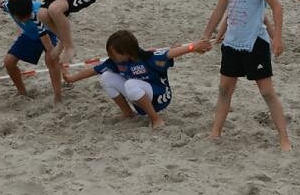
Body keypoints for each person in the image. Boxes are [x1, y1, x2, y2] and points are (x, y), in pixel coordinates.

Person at [201, 0, 291, 151]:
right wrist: (205, 36)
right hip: (232, 43)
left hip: (255, 43)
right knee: (224, 90)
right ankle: (215, 132)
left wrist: (277, 38)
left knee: (267, 92)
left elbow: (277, 7)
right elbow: (219, 11)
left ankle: (284, 139)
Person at [70, 30, 212, 129]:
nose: (110, 56)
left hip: (159, 95)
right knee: (106, 78)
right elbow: (94, 70)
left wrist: (194, 47)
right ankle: (128, 113)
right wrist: (71, 78)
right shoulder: (115, 62)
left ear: (127, 52)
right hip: (139, 94)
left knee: (131, 84)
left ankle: (156, 119)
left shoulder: (149, 57)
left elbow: (171, 53)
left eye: (113, 53)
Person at [0, 0, 64, 103]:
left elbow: (45, 37)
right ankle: (22, 91)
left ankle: (58, 94)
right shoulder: (9, 6)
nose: (24, 20)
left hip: (49, 32)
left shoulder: (36, 14)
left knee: (51, 60)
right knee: (9, 62)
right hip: (29, 35)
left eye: (26, 16)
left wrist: (52, 52)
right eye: (21, 18)